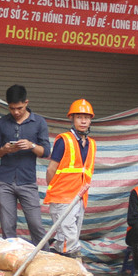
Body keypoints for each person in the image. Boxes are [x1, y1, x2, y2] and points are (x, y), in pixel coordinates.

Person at [0, 85, 50, 243]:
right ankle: (12, 257)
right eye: (12, 108)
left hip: (28, 181)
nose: (16, 112)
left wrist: (31, 145)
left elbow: (46, 152)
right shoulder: (1, 123)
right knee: (7, 227)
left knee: (36, 225)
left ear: (26, 103)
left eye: (19, 108)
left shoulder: (39, 122)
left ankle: (44, 256)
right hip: (5, 181)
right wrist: (4, 149)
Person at [44, 99, 96, 257]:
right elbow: (51, 169)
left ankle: (61, 263)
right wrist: (55, 189)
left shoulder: (91, 144)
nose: (83, 121)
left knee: (67, 238)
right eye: (79, 117)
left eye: (86, 117)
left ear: (90, 120)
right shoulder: (64, 140)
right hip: (63, 197)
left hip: (80, 197)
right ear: (72, 118)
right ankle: (72, 261)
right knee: (69, 239)